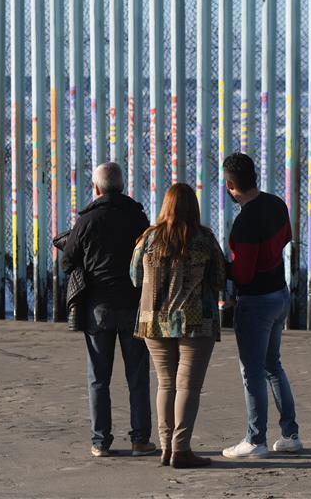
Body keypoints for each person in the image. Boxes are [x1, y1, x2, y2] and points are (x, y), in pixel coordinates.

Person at [61, 162, 156, 458]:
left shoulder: (87, 220)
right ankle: (140, 439)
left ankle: (101, 441)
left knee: (98, 378)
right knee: (137, 376)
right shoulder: (138, 217)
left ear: (96, 188)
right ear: (122, 187)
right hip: (133, 305)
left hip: (98, 307)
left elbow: (67, 262)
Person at [130, 183, 225, 469]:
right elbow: (219, 278)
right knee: (188, 387)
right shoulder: (204, 239)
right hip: (196, 321)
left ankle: (165, 448)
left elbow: (135, 277)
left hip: (154, 320)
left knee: (166, 383)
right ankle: (181, 449)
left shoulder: (148, 238)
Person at [220, 153, 303, 459]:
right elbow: (285, 239)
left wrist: (221, 267)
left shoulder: (245, 223)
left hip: (256, 302)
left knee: (252, 371)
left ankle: (256, 439)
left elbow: (243, 274)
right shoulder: (276, 204)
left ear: (230, 186)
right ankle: (290, 434)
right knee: (272, 366)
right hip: (280, 294)